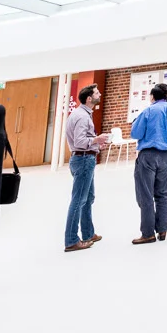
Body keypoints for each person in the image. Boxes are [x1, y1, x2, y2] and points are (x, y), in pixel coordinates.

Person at [129, 81, 167, 242]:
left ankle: (148, 233)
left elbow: (135, 133)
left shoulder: (149, 111)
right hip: (166, 155)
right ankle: (162, 230)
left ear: (152, 96)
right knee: (162, 193)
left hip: (149, 154)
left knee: (145, 195)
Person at [63, 85, 108, 252]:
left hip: (84, 158)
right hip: (83, 160)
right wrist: (97, 139)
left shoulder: (81, 114)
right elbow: (81, 142)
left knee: (88, 198)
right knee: (79, 200)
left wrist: (96, 145)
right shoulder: (82, 117)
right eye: (97, 93)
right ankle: (71, 240)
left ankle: (88, 233)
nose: (100, 94)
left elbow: (82, 141)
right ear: (89, 98)